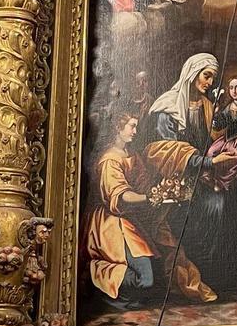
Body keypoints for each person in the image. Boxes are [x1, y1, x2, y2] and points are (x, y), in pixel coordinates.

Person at [144, 53, 237, 296]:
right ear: (192, 74)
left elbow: (214, 140)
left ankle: (228, 272)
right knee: (215, 203)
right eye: (207, 76)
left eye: (213, 77)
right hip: (173, 180)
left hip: (201, 174)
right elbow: (165, 153)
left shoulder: (205, 105)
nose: (210, 82)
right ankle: (207, 270)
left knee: (236, 198)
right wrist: (210, 162)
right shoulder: (168, 107)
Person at [85, 112, 212, 307]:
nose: (135, 131)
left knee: (150, 278)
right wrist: (150, 197)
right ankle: (95, 273)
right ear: (118, 128)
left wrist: (168, 190)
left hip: (129, 222)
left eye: (136, 126)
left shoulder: (132, 156)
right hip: (110, 225)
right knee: (145, 280)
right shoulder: (109, 160)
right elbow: (121, 195)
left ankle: (122, 294)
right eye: (131, 126)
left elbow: (145, 184)